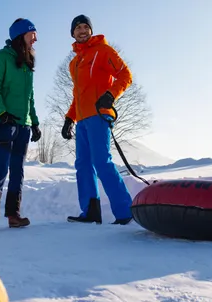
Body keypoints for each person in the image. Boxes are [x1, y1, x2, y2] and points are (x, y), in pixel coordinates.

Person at [61, 14, 134, 225]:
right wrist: (69, 118)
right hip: (82, 119)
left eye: (85, 27)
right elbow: (78, 94)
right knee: (82, 164)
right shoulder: (74, 63)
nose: (82, 31)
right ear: (72, 33)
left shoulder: (103, 51)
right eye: (78, 28)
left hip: (99, 115)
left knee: (102, 161)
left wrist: (111, 95)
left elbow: (125, 75)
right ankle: (90, 211)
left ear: (91, 30)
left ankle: (125, 212)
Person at [0, 18, 42, 231]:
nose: (36, 38)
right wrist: (2, 112)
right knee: (1, 167)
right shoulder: (1, 57)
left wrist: (34, 122)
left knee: (18, 170)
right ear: (20, 35)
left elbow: (30, 97)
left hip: (23, 126)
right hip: (4, 123)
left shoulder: (27, 62)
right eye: (32, 33)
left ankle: (13, 214)